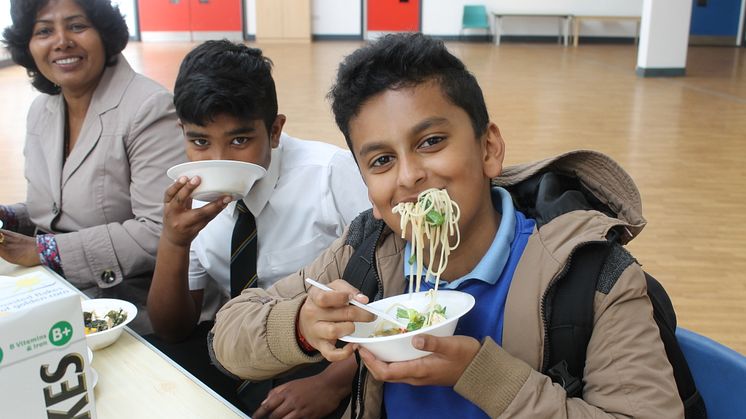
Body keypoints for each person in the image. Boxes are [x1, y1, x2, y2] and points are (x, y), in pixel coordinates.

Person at [209, 33, 684, 418]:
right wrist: (301, 326)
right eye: (381, 160)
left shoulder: (593, 274)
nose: (410, 175)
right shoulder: (369, 250)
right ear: (368, 190)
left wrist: (480, 374)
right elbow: (226, 337)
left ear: (489, 148)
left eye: (432, 141)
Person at [145, 40, 370, 417]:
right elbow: (174, 328)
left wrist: (332, 384)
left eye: (239, 140)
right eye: (199, 141)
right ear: (182, 132)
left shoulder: (331, 175)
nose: (218, 160)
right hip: (239, 348)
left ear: (276, 130)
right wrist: (174, 242)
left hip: (331, 353)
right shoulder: (191, 193)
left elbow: (393, 285)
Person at [0, 0, 185, 333]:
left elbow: (159, 230)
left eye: (77, 26)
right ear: (27, 45)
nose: (61, 41)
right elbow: (62, 207)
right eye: (44, 30)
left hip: (127, 303)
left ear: (104, 34)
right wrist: (10, 216)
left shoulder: (149, 107)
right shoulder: (41, 109)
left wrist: (44, 251)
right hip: (55, 289)